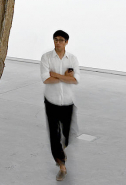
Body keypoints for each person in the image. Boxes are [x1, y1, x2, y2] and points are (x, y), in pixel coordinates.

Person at [40, 30, 80, 181]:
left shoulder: (73, 59)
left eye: (61, 40)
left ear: (66, 42)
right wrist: (65, 77)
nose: (58, 42)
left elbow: (75, 80)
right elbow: (45, 79)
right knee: (54, 135)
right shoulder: (46, 57)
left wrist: (55, 75)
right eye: (55, 39)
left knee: (68, 135)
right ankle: (62, 166)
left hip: (68, 102)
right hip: (51, 101)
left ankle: (62, 149)